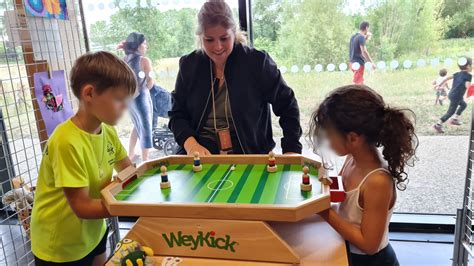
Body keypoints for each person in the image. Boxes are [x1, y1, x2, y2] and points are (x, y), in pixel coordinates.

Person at [30, 51, 136, 265]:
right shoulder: (65, 141)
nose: (126, 107)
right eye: (119, 99)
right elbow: (83, 207)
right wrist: (130, 204)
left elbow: (129, 173)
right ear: (89, 94)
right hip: (60, 246)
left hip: (93, 232)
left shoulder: (108, 131)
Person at [169, 0, 302, 155]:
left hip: (249, 153)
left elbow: (287, 105)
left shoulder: (257, 63)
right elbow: (176, 114)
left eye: (224, 38)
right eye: (209, 40)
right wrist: (191, 145)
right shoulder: (189, 65)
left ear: (234, 32)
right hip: (200, 152)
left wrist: (291, 149)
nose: (217, 47)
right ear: (200, 37)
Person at [309, 85, 417, 266]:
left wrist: (323, 211)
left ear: (353, 138)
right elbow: (347, 200)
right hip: (347, 250)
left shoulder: (377, 181)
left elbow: (369, 245)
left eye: (330, 135)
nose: (327, 141)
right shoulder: (352, 158)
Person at [120, 32, 155, 161]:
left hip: (128, 98)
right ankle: (146, 159)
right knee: (146, 125)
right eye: (144, 44)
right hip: (142, 97)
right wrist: (147, 87)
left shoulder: (123, 60)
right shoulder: (144, 60)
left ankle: (131, 154)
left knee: (136, 124)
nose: (146, 46)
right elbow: (150, 81)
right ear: (138, 46)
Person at [434, 57, 472, 133]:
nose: (472, 67)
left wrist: (439, 85)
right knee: (450, 112)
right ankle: (438, 124)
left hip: (453, 94)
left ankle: (455, 119)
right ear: (468, 66)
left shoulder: (457, 74)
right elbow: (468, 86)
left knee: (464, 105)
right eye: (471, 65)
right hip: (456, 96)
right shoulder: (468, 76)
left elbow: (446, 79)